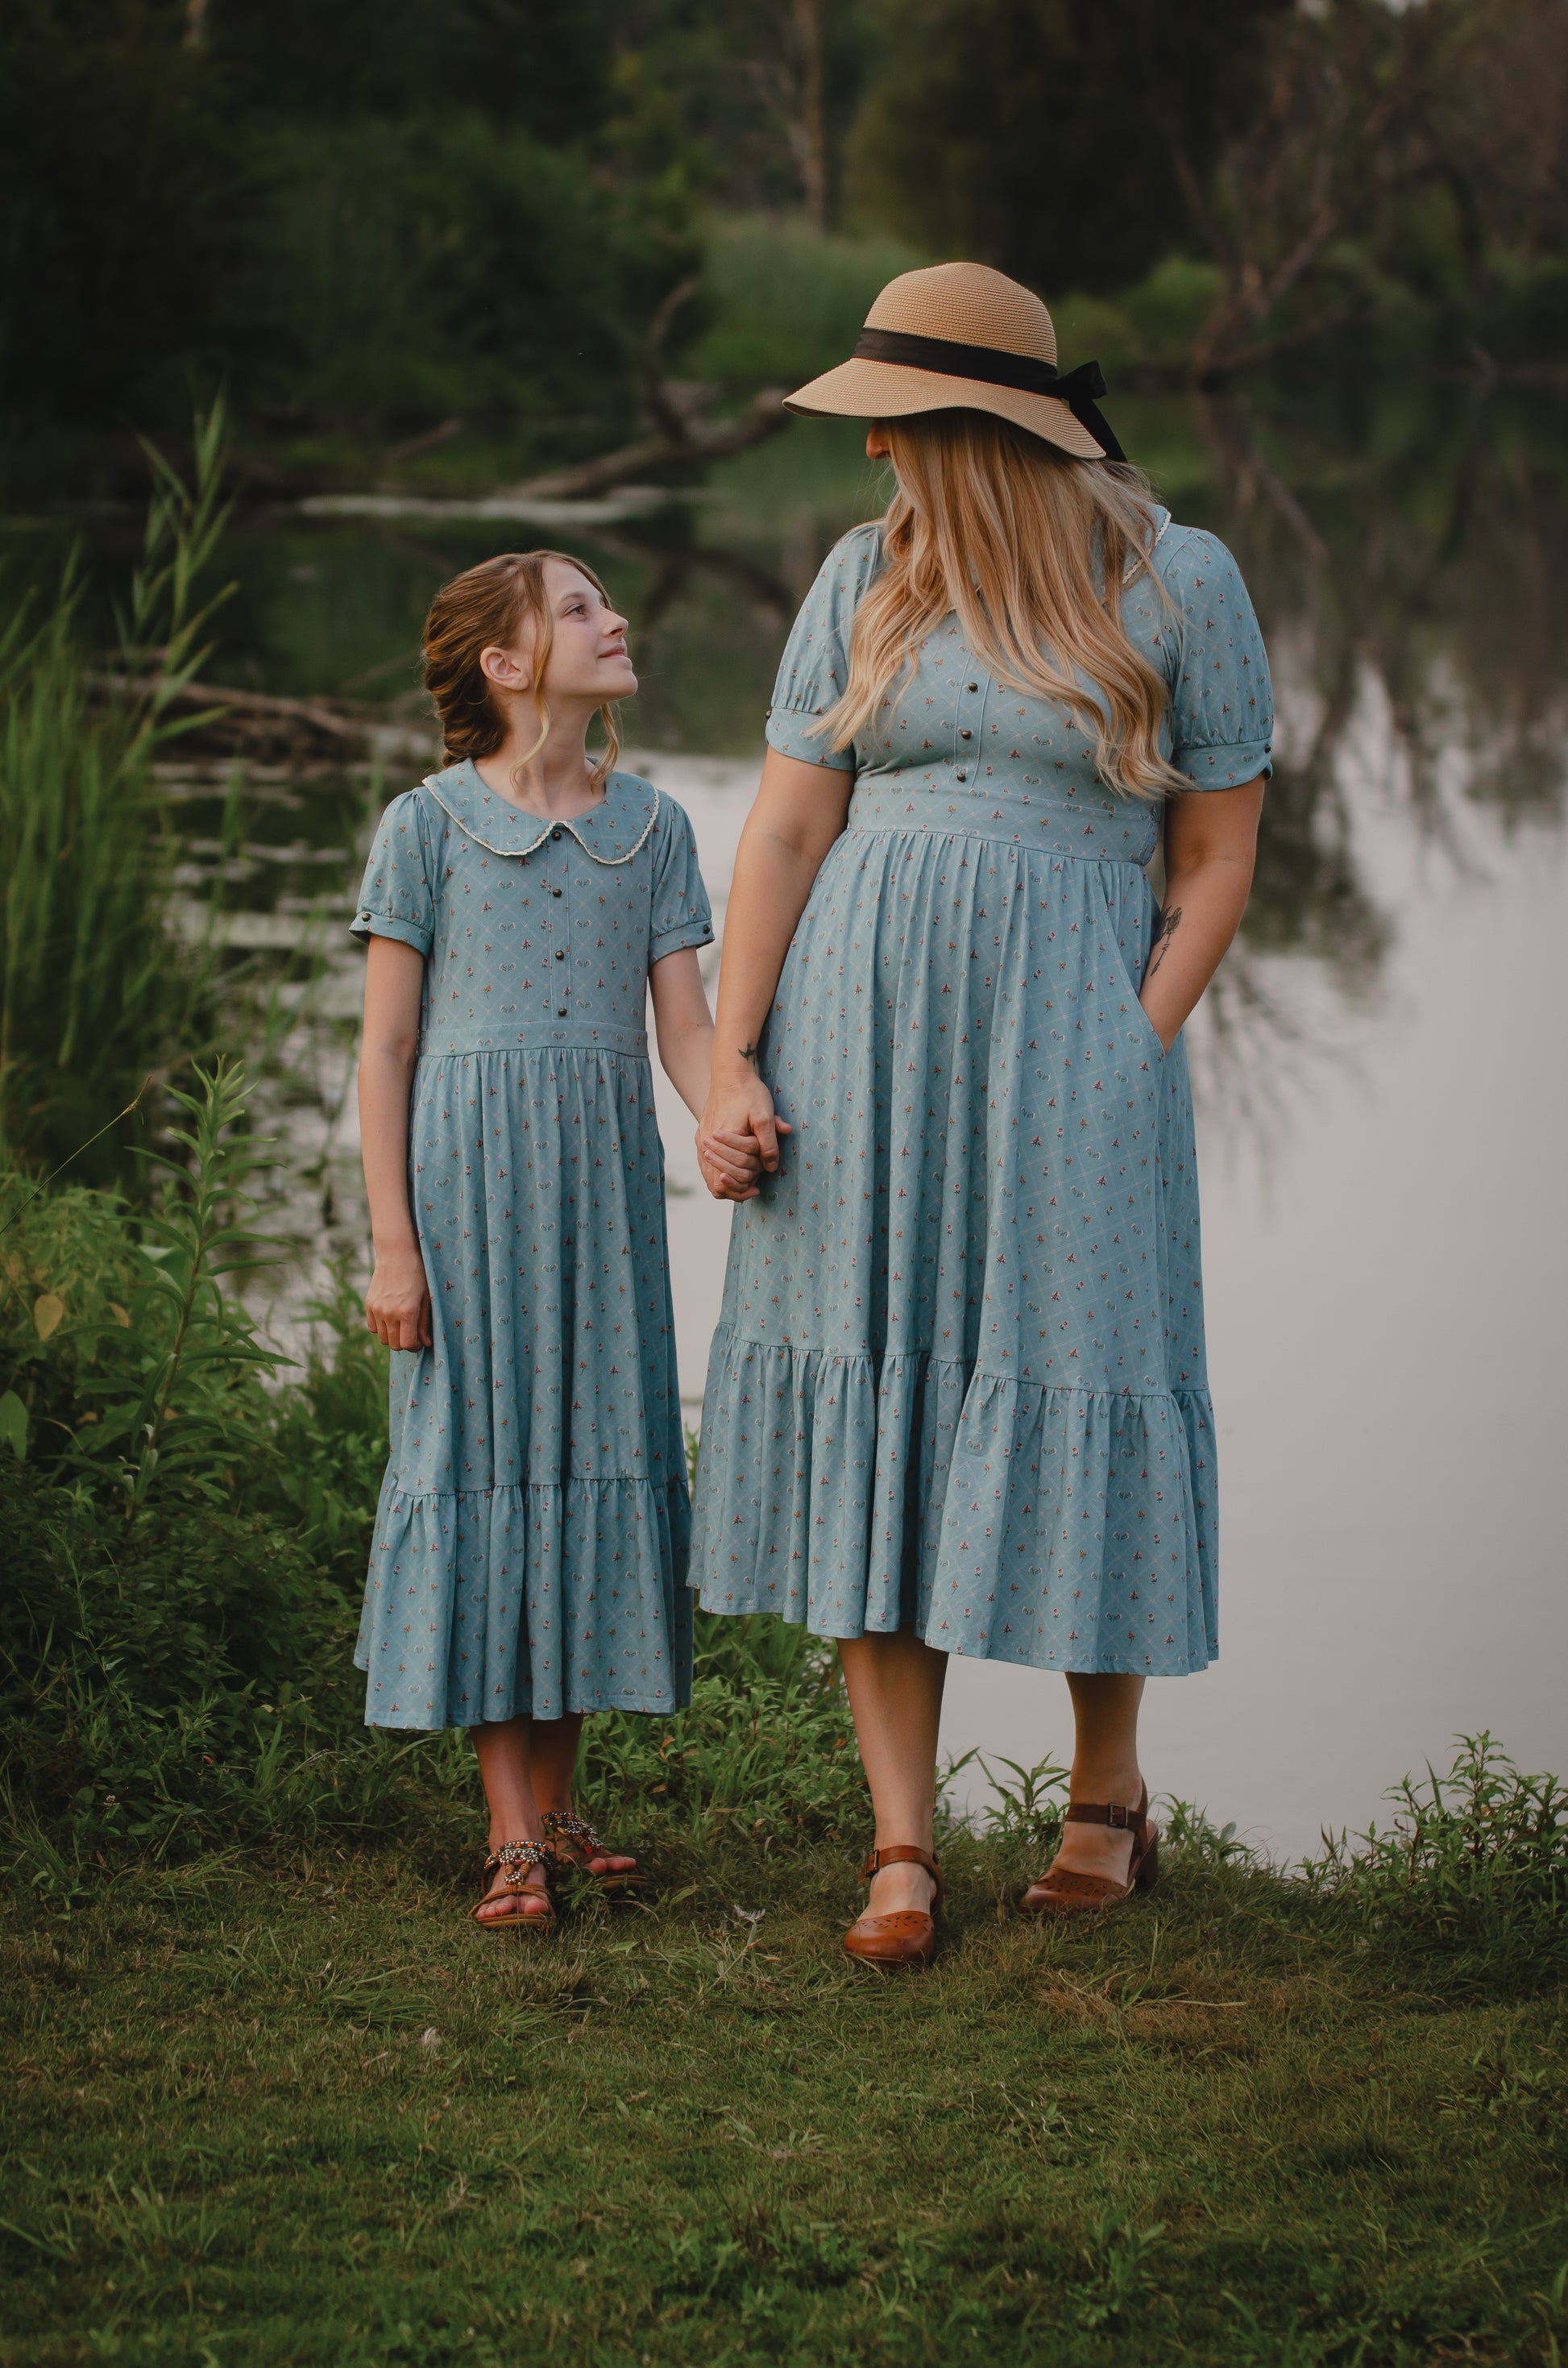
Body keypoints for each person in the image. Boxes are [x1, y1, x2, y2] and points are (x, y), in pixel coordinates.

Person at [691, 264, 1272, 1964]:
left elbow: (1220, 855)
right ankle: (900, 1841)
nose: (871, 460)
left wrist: (1131, 1033)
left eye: (889, 427)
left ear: (966, 432)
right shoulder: (864, 579)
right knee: (880, 1393)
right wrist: (734, 1055)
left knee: (1084, 1377)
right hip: (861, 1033)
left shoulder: (1179, 580)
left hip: (1075, 1040)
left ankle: (1107, 1801)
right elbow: (788, 831)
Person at [352, 549, 757, 1930]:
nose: (613, 618)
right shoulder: (425, 827)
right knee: (481, 1457)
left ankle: (566, 1799)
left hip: (600, 1192)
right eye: (578, 606)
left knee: (591, 1454)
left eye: (606, 600)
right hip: (465, 1196)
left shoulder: (651, 826)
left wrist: (730, 1113)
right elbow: (387, 1047)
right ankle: (508, 1828)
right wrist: (391, 1243)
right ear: (506, 664)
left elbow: (685, 1030)